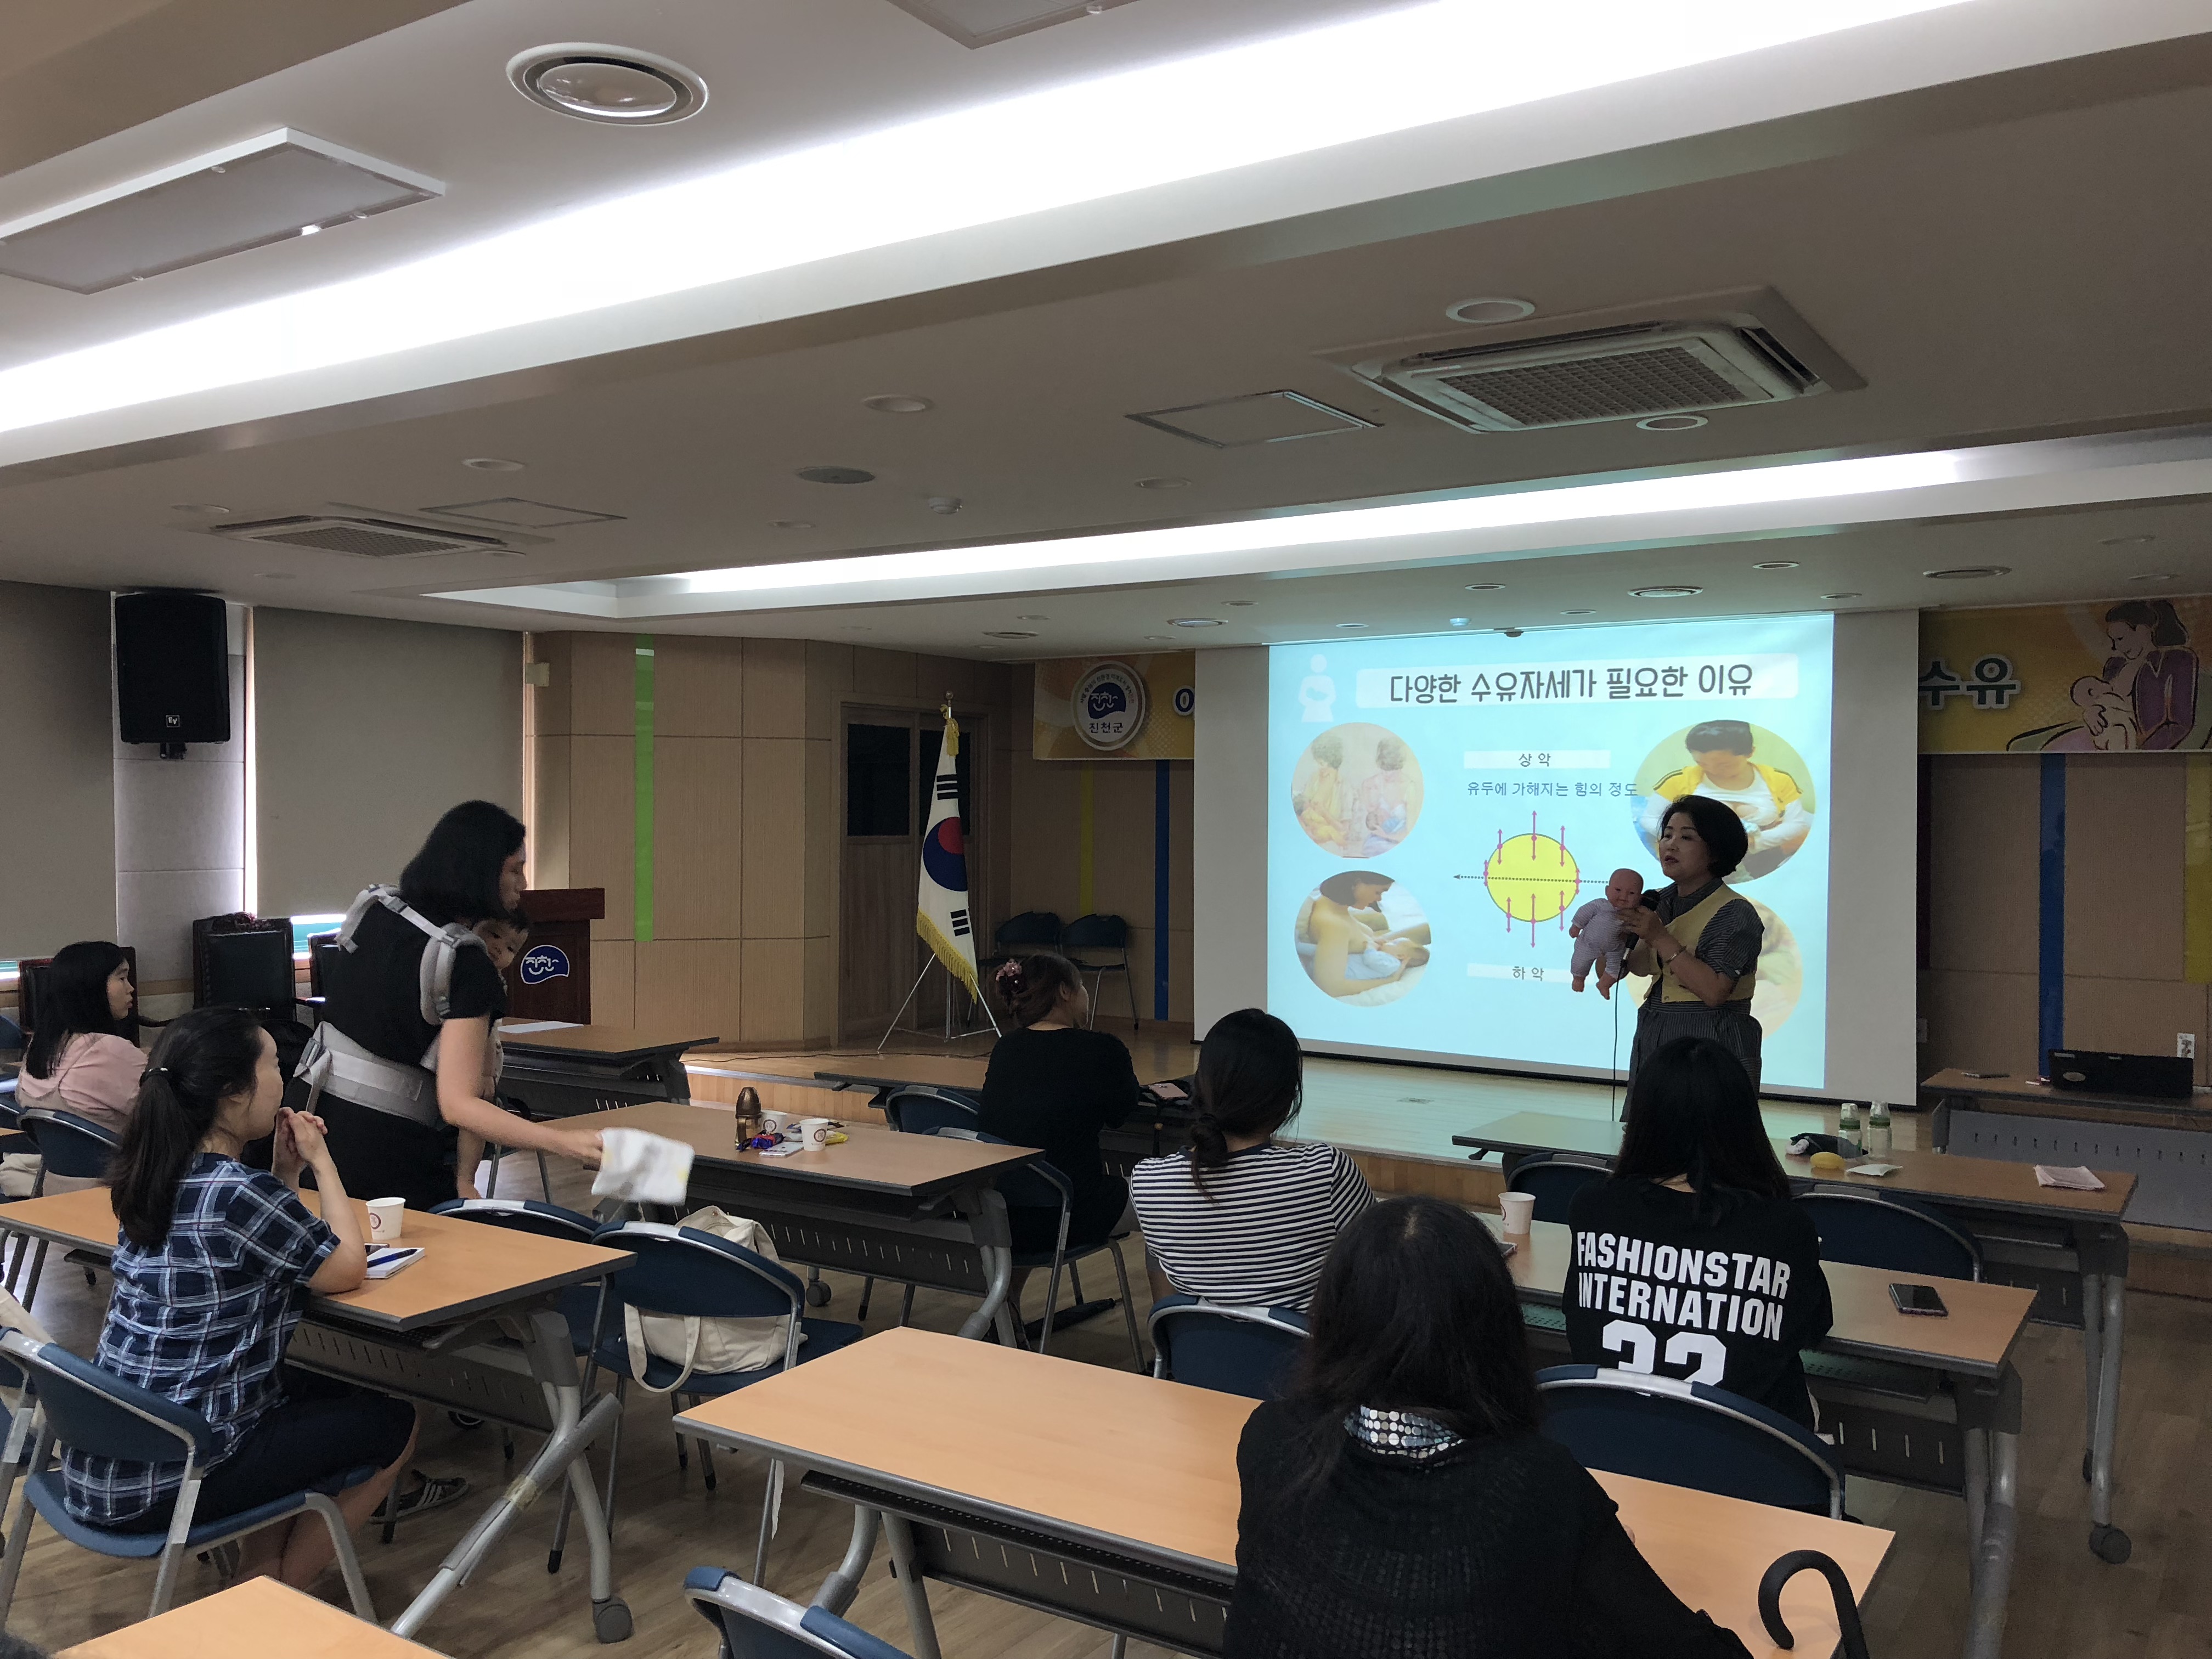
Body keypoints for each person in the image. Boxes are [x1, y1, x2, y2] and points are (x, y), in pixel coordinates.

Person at [1227, 1196, 1751, 1659]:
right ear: (1494, 1330)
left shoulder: (1271, 1437)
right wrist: (1580, 1551)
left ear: (1334, 1318)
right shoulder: (1539, 1486)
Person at [62, 1007, 421, 1588]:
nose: (284, 1079)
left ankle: (260, 1571)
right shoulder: (235, 1191)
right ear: (232, 1092)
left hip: (108, 1458)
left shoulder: (155, 1176)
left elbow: (261, 1243)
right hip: (172, 1476)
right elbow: (347, 1268)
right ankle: (275, 1597)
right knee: (396, 1423)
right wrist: (323, 1163)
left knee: (286, 1393)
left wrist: (286, 1174)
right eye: (274, 1065)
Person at [308, 802, 600, 1212]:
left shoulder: (376, 910)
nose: (523, 883)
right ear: (483, 870)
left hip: (310, 1126)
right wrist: (564, 1142)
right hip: (386, 1156)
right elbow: (460, 1104)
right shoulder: (466, 964)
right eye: (515, 870)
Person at [1565, 1037, 1831, 1430]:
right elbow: (1812, 1328)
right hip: (1749, 1457)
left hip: (1612, 1443)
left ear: (1642, 1120)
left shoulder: (1594, 1207)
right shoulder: (1784, 1226)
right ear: (1745, 1124)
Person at [1130, 1008, 1372, 1310]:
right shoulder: (1327, 1172)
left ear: (1200, 1086)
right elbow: (1383, 1269)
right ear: (1289, 1097)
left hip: (1198, 1343)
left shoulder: (1149, 1184)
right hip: (1302, 1342)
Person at [976, 953, 1138, 1259]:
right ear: (1065, 991)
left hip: (1006, 1217)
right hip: (1074, 1212)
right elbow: (1121, 1113)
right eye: (1082, 985)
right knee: (1167, 1203)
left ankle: (1005, 1291)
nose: (1086, 994)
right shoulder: (1103, 1049)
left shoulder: (1005, 1048)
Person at [1619, 795, 1764, 1092]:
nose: (1670, 845)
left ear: (1716, 851)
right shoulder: (1659, 901)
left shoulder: (1735, 912)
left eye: (1686, 837)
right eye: (1667, 835)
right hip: (1656, 1035)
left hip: (1710, 1045)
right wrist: (1609, 939)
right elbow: (1634, 966)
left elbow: (1715, 992)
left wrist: (1660, 937)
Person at [9, 943, 142, 1196]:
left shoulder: (42, 1047)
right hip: (122, 1194)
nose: (131, 988)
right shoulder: (108, 1051)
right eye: (122, 978)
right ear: (91, 986)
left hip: (55, 1195)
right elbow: (168, 1112)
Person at [1639, 720, 1811, 879]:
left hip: (1762, 860)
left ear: (1750, 753)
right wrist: (1687, 840)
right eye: (1702, 763)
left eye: (1724, 765)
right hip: (1692, 866)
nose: (1713, 771)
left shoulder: (1778, 780)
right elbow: (1649, 819)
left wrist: (1753, 843)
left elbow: (1797, 824)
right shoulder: (1679, 781)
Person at [450, 909, 529, 1203]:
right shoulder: (463, 967)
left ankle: (466, 1179)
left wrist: (485, 1074)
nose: (499, 948)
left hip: (484, 1064)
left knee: (475, 1116)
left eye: (511, 948)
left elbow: (484, 1036)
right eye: (493, 934)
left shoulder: (490, 980)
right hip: (469, 1058)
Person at [1294, 871, 1430, 1000]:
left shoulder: (1333, 906)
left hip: (1376, 944)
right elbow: (1332, 988)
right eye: (1378, 892)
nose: (1379, 898)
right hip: (1375, 951)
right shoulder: (1335, 926)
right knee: (1425, 935)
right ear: (1356, 884)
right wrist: (1390, 980)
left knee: (1422, 929)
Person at [1567, 868, 1644, 998]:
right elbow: (1584, 912)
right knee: (1580, 962)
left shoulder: (1634, 915)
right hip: (1589, 943)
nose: (1624, 897)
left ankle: (1604, 984)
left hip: (1615, 948)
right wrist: (1576, 926)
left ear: (1640, 898)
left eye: (1631, 893)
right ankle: (1578, 978)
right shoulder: (1600, 905)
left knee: (1617, 969)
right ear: (1607, 891)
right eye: (1618, 890)